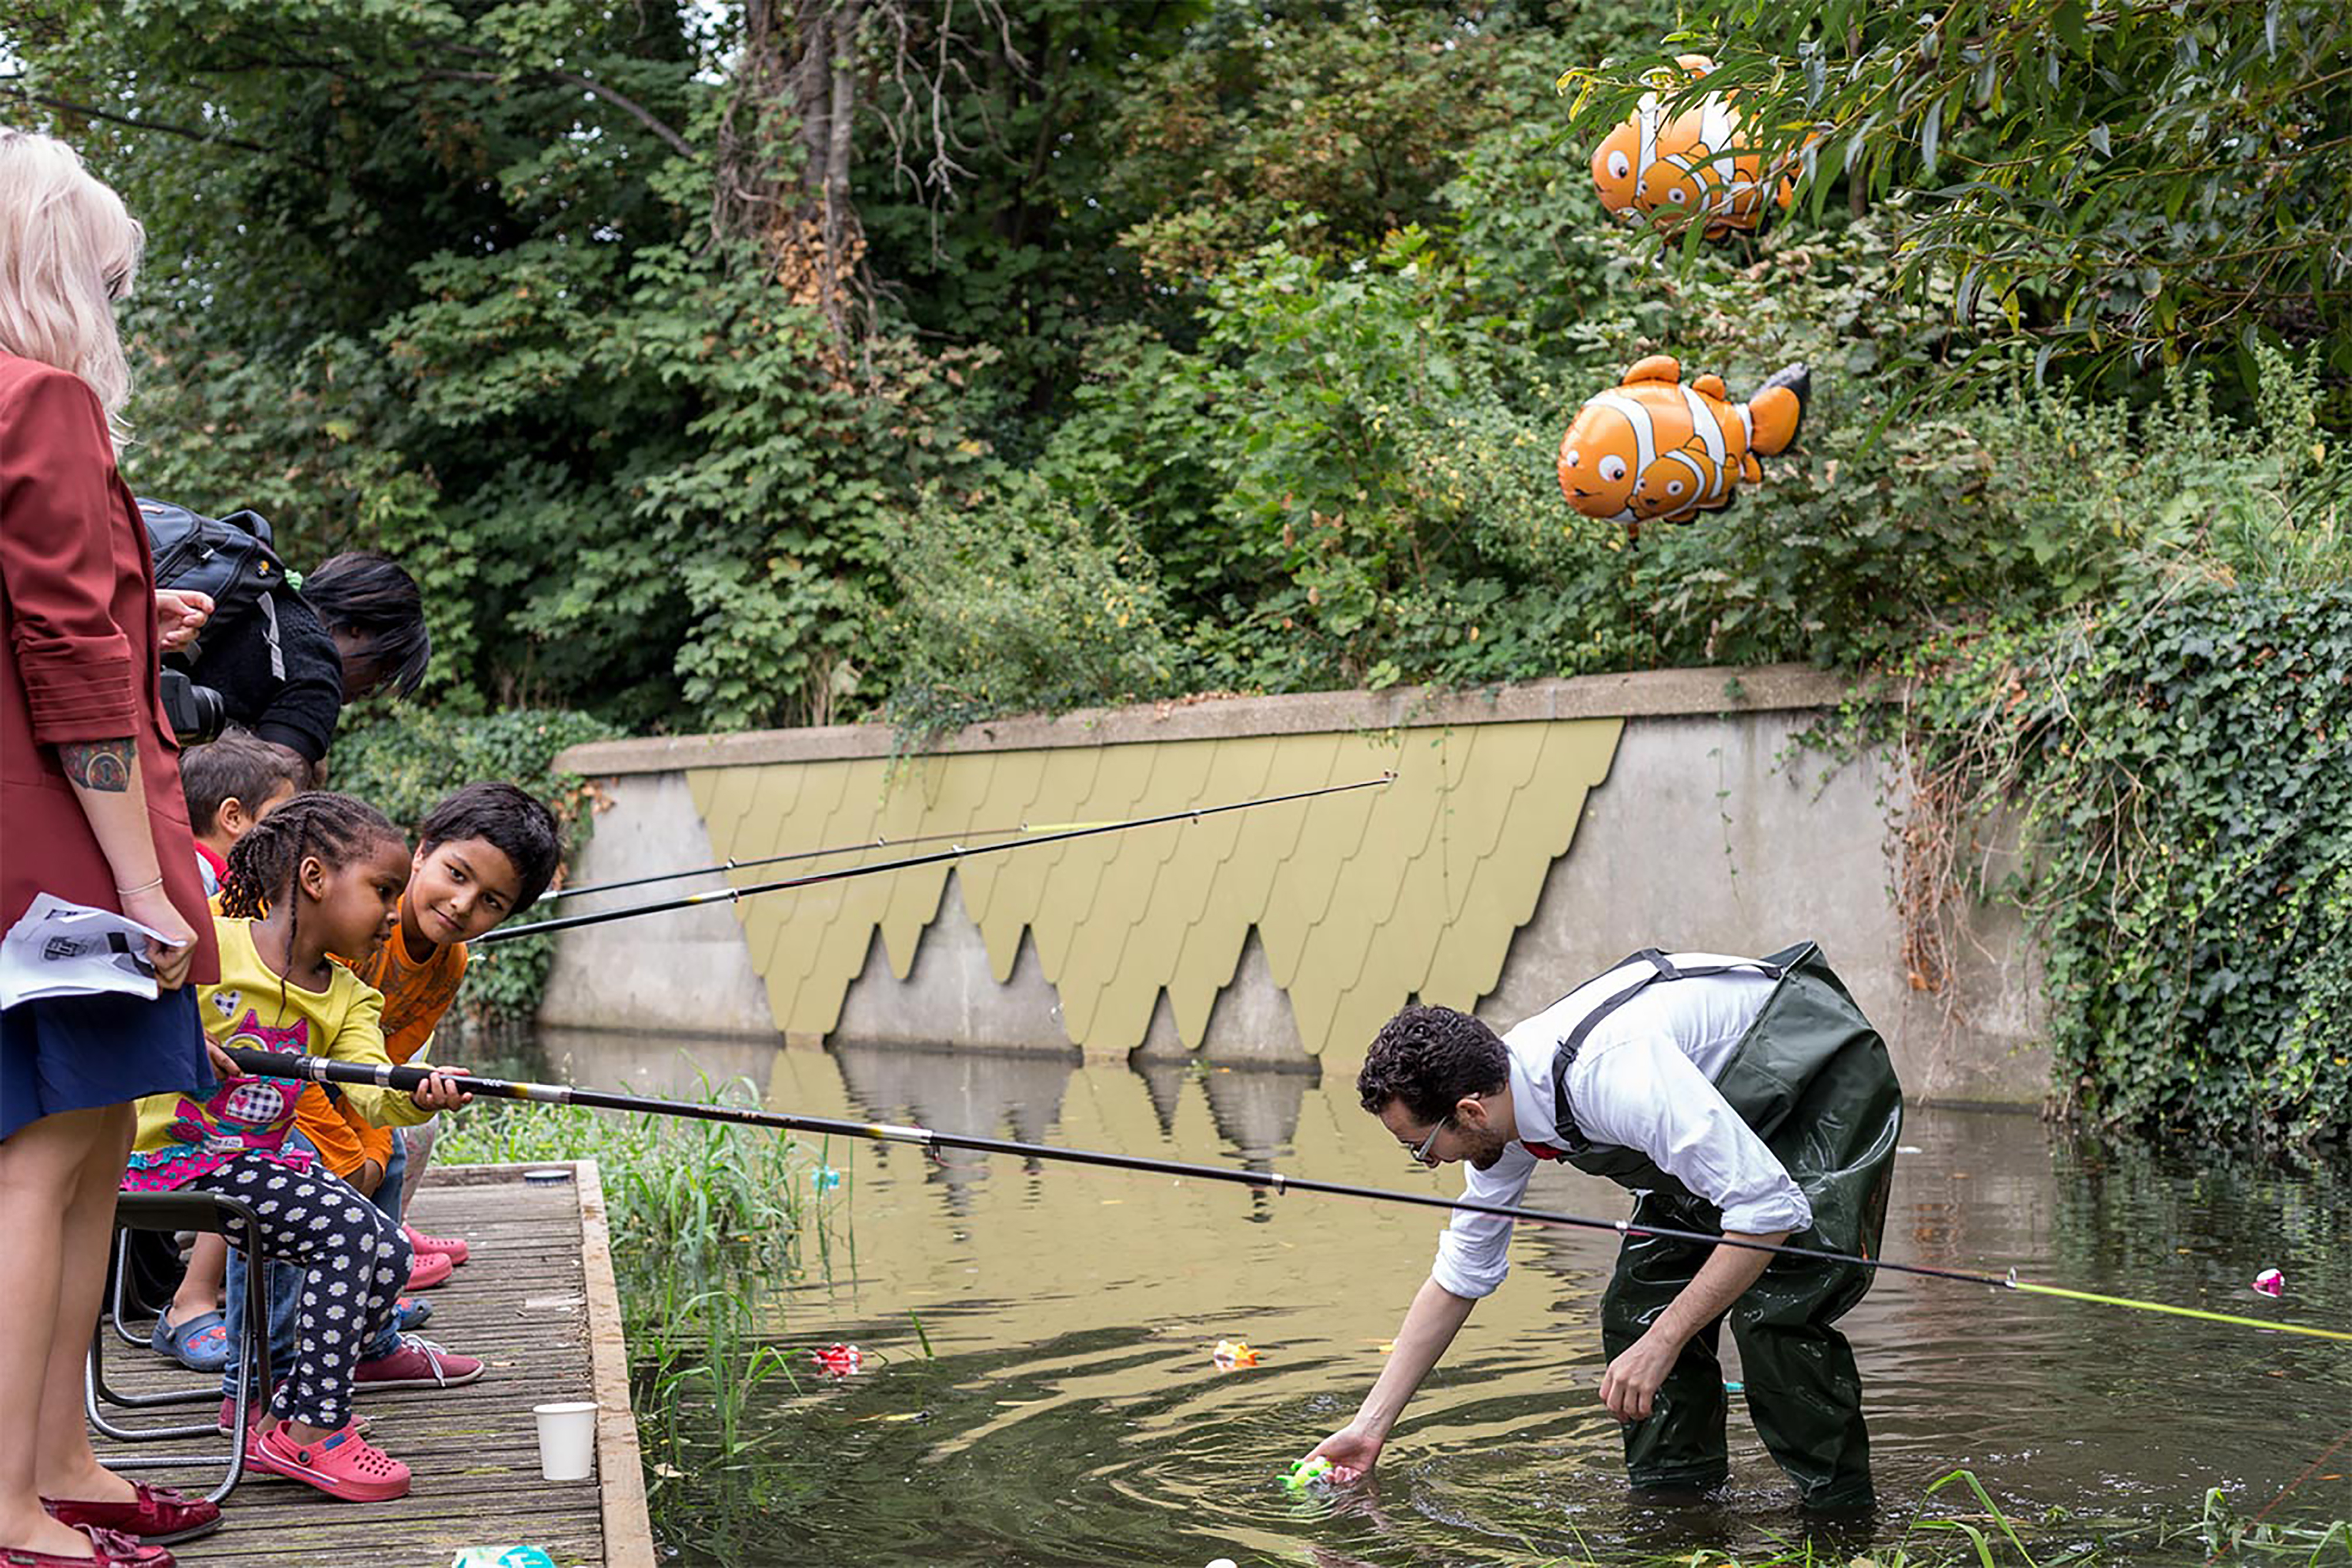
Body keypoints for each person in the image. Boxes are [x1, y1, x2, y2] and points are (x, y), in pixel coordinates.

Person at [1307, 943, 1903, 1512]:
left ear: (1468, 1112)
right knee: (1636, 1311)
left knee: (1774, 1312)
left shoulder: (1615, 1079)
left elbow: (1765, 1213)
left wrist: (1665, 1341)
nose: (1429, 1163)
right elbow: (1460, 1276)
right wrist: (1369, 1427)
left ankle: (1839, 1521)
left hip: (1815, 1072)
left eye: (1422, 1148)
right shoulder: (1502, 1113)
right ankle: (1677, 1508)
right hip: (1707, 1117)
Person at [1, 127, 222, 1567]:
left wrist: (149, 624)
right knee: (40, 1160)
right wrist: (146, 883)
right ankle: (8, 1503)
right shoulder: (43, 401)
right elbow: (70, 654)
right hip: (59, 855)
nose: (118, 308)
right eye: (112, 278)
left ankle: (63, 1456)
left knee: (87, 1151)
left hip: (24, 842)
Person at [121, 791, 474, 1503]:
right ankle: (308, 1432)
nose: (390, 913)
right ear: (315, 878)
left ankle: (278, 1399)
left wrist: (420, 1094)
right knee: (347, 1236)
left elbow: (374, 1091)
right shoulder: (208, 941)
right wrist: (184, 1041)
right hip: (159, 1163)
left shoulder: (349, 997)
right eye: (382, 891)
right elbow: (123, 1009)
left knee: (392, 1250)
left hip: (255, 1167)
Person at [139, 731, 309, 1375]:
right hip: (164, 1121)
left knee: (273, 1142)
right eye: (282, 826)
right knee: (263, 1146)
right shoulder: (203, 881)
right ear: (234, 818)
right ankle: (198, 1308)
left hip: (186, 1108)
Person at [173, 547, 429, 778]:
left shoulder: (265, 604)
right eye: (383, 671)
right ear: (358, 630)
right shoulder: (317, 666)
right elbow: (270, 800)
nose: (371, 689)